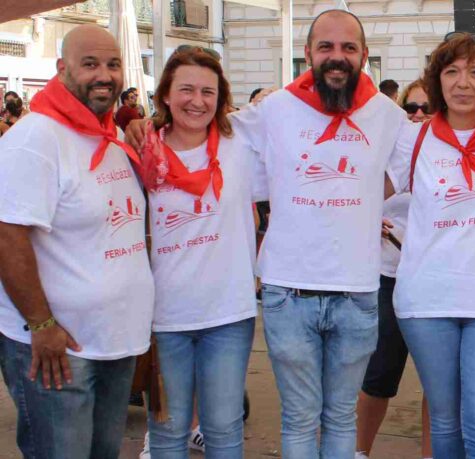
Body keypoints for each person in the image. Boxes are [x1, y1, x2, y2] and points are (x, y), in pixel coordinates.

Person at [226, 9, 409, 458]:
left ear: (364, 56)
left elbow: (416, 161)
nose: (337, 57)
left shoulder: (387, 116)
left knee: (341, 417)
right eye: (326, 47)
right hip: (289, 292)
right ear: (307, 53)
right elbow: (209, 135)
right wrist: (148, 125)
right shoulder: (274, 109)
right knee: (300, 418)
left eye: (348, 48)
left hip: (357, 292)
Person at [0, 24, 154, 458]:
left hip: (114, 342)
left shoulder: (113, 136)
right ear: (61, 69)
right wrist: (41, 324)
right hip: (59, 350)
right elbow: (7, 235)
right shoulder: (35, 140)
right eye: (90, 65)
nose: (104, 74)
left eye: (113, 64)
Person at [385, 32, 475, 459]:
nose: (463, 82)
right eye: (452, 72)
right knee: (445, 424)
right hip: (427, 300)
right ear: (437, 81)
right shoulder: (413, 140)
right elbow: (365, 190)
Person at [127, 46, 259, 458]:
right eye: (186, 89)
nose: (197, 101)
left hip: (228, 316)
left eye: (208, 91)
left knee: (223, 432)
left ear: (221, 98)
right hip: (164, 318)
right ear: (165, 93)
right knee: (167, 435)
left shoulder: (242, 144)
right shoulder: (140, 152)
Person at [355, 79, 433, 459]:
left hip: (434, 278)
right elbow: (358, 195)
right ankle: (358, 451)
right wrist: (365, 219)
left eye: (427, 108)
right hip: (388, 273)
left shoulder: (449, 149)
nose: (418, 114)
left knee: (438, 383)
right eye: (411, 107)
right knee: (378, 376)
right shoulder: (392, 149)